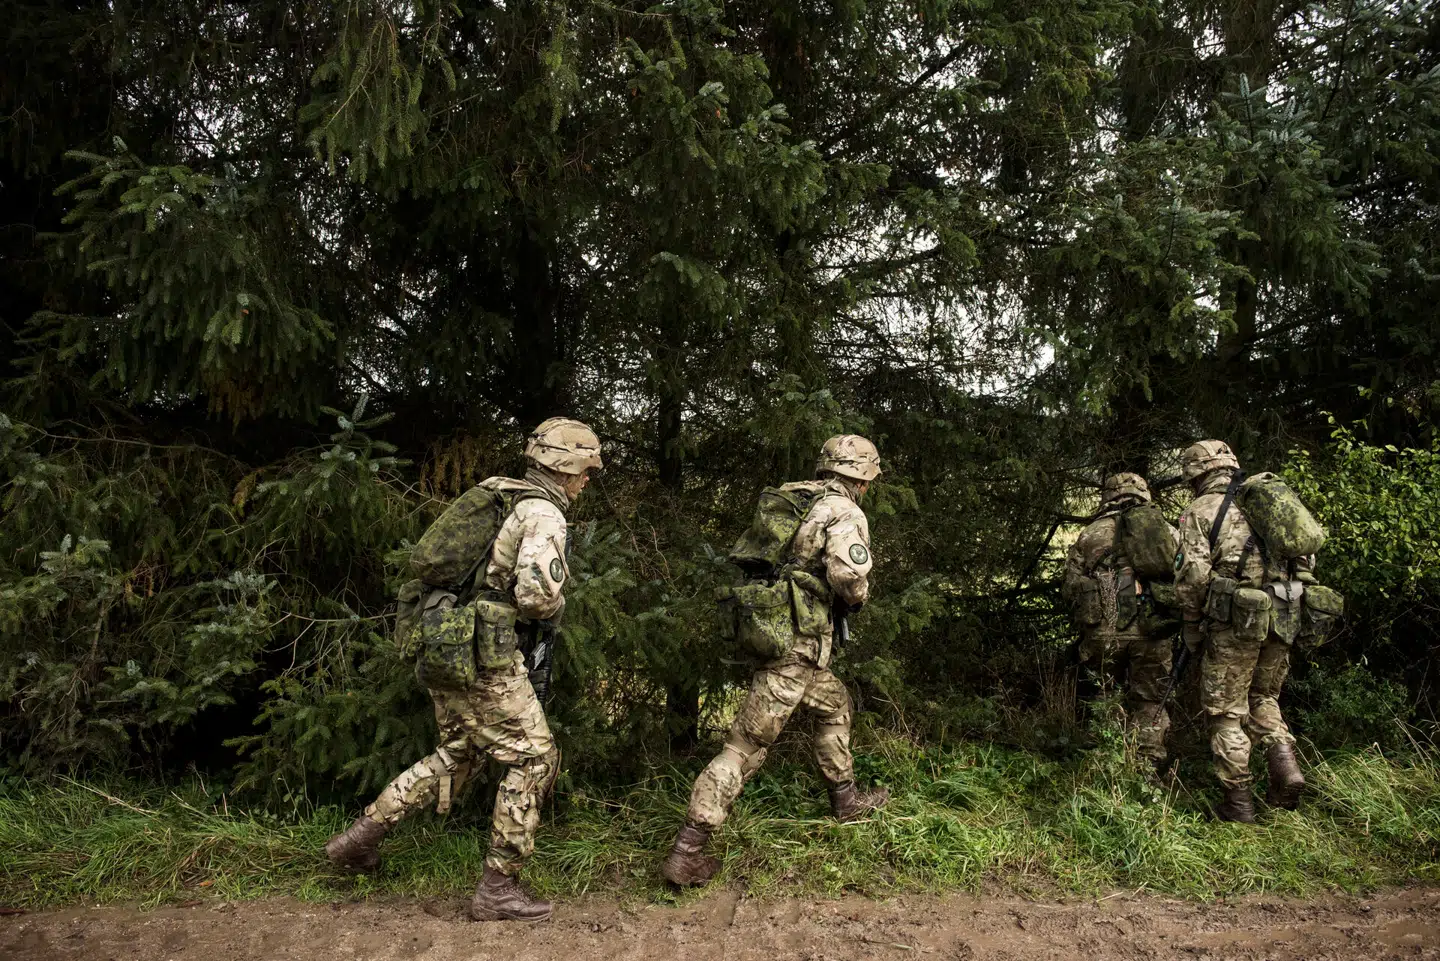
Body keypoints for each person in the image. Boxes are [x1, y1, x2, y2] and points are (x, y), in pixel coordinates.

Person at [324, 417, 603, 921]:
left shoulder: (499, 493)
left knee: (460, 753)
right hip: (485, 657)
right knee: (536, 760)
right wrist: (554, 608)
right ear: (567, 468)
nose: (587, 481)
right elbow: (536, 595)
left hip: (445, 644)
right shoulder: (543, 513)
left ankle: (358, 840)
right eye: (586, 470)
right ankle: (499, 886)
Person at [660, 435, 891, 888]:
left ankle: (846, 799)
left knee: (834, 704)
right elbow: (848, 574)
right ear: (862, 477)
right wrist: (857, 598)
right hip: (796, 646)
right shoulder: (844, 511)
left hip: (781, 633)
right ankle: (687, 850)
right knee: (745, 746)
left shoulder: (798, 499)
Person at [1173, 440, 1308, 822]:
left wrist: (1191, 626)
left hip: (1237, 624)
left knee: (1226, 712)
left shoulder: (1200, 510)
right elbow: (1306, 558)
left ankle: (1238, 805)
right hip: (1284, 613)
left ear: (1196, 474)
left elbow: (1193, 578)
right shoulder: (1268, 501)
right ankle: (1285, 766)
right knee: (1264, 696)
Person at [1061, 472, 1179, 774]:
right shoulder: (1165, 529)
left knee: (1105, 695)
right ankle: (1147, 769)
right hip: (1153, 628)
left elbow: (1070, 586)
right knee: (1151, 699)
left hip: (1104, 630)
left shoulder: (1090, 534)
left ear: (1108, 497)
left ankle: (1107, 766)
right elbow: (1186, 576)